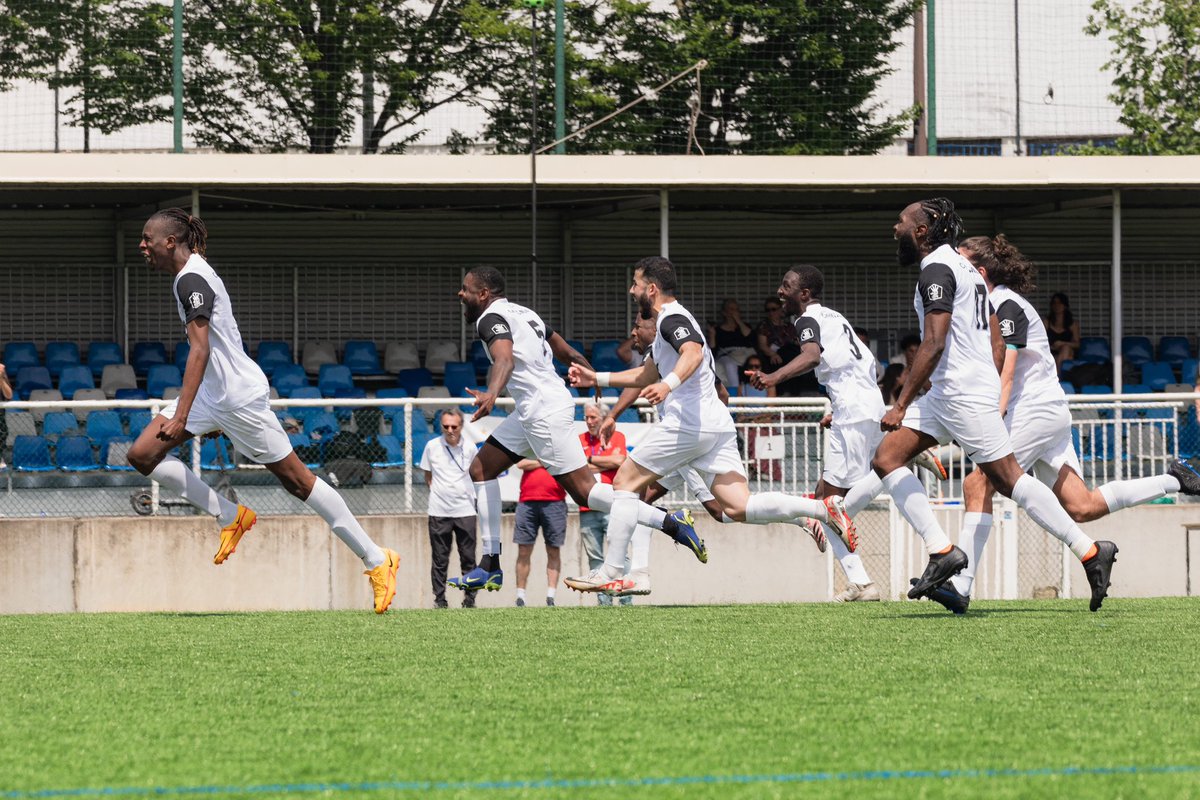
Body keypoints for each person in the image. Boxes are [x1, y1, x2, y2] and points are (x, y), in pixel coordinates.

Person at [838, 198, 1118, 612]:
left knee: (1007, 480)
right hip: (953, 391)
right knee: (886, 458)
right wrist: (974, 371)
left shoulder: (937, 267)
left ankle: (1090, 551)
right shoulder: (965, 267)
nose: (894, 229)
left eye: (900, 222)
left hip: (960, 394)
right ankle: (941, 550)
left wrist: (900, 403)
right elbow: (993, 337)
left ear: (921, 230)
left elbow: (933, 341)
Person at [125, 209, 399, 613]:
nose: (142, 245)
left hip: (236, 398)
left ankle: (377, 558)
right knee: (142, 454)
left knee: (298, 481)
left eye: (148, 238)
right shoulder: (188, 276)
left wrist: (183, 416)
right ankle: (230, 516)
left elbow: (199, 350)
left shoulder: (192, 279)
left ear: (170, 241)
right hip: (213, 396)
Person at [922, 235, 1200, 614]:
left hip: (1033, 410)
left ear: (979, 271)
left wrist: (992, 419)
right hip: (1047, 412)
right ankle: (1175, 479)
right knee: (1081, 506)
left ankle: (961, 586)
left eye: (963, 260)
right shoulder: (991, 303)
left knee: (978, 481)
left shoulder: (1004, 305)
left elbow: (1006, 373)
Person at [564, 256, 854, 597]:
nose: (632, 290)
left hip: (689, 422)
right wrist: (595, 376)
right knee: (737, 506)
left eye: (636, 284)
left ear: (651, 289)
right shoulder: (668, 323)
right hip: (714, 425)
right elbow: (645, 375)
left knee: (626, 482)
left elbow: (693, 352)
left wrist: (668, 385)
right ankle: (821, 508)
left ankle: (615, 572)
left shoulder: (673, 318)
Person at [447, 266, 706, 597]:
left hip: (542, 412)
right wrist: (590, 371)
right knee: (481, 468)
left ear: (483, 294)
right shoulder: (523, 312)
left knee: (588, 494)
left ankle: (670, 522)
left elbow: (504, 360)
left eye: (466, 289)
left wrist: (492, 394)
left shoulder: (489, 319)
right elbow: (563, 349)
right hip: (534, 411)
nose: (461, 294)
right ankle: (490, 562)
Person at [746, 265, 889, 603]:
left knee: (826, 507)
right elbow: (869, 366)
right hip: (867, 406)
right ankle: (861, 582)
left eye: (787, 286)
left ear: (805, 294)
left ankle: (906, 457)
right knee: (822, 500)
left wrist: (771, 378)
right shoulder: (836, 318)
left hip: (853, 412)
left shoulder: (806, 320)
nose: (780, 292)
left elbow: (811, 357)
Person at [419, 408, 477, 609]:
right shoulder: (432, 446)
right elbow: (428, 475)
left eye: (454, 426)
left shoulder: (470, 448)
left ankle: (469, 600)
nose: (450, 430)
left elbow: (476, 475)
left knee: (468, 558)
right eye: (446, 426)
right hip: (439, 511)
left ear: (461, 426)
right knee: (439, 559)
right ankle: (440, 600)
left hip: (466, 510)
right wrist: (438, 492)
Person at [578, 401, 629, 606]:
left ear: (604, 418)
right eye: (587, 418)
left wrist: (591, 459)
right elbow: (578, 466)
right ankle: (604, 602)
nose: (589, 422)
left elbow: (619, 461)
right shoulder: (579, 439)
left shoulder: (618, 436)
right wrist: (602, 462)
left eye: (593, 418)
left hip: (613, 504)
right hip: (587, 506)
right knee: (595, 557)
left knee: (620, 554)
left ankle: (625, 599)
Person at [513, 460, 566, 607]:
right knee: (523, 550)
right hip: (527, 502)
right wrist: (547, 461)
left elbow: (561, 463)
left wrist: (536, 462)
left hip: (555, 502)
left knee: (553, 550)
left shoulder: (557, 442)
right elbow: (521, 464)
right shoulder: (528, 442)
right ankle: (520, 597)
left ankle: (550, 597)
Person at [707, 298, 757, 390]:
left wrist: (738, 321)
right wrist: (712, 335)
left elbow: (751, 338)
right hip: (727, 355)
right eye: (731, 309)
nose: (734, 312)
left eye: (736, 309)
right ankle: (735, 396)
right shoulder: (718, 330)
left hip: (745, 353)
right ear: (724, 312)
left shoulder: (745, 326)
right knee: (730, 365)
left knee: (754, 362)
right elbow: (713, 351)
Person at [1043, 292, 1080, 372]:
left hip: (1067, 352)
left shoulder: (1072, 324)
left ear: (1065, 305)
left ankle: (1058, 376)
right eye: (1054, 303)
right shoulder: (1047, 322)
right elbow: (1041, 340)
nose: (1057, 305)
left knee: (1065, 349)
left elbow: (1077, 344)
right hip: (1051, 351)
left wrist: (1062, 343)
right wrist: (1050, 346)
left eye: (1060, 303)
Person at [880, 334, 923, 404]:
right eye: (911, 351)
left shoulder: (925, 363)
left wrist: (917, 370)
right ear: (905, 352)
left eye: (917, 351)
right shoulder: (896, 362)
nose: (914, 354)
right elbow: (890, 385)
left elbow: (929, 388)